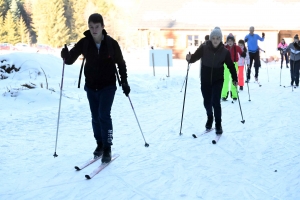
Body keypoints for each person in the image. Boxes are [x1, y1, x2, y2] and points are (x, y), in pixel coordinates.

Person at [60, 13, 130, 163]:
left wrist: (124, 82)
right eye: (91, 27)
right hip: (91, 86)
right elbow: (70, 59)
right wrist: (65, 55)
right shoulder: (85, 43)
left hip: (108, 86)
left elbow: (121, 63)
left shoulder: (111, 44)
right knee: (95, 117)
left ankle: (107, 147)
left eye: (97, 27)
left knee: (103, 115)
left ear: (103, 27)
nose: (94, 30)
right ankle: (99, 144)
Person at [186, 27, 238, 134]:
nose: (215, 40)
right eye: (213, 38)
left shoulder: (225, 52)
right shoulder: (204, 47)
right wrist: (189, 58)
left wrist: (234, 78)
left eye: (217, 38)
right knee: (207, 102)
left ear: (220, 39)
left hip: (217, 80)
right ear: (210, 38)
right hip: (205, 80)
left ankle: (218, 124)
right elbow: (194, 57)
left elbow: (231, 66)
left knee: (215, 102)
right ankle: (210, 118)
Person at [221, 33, 246, 100]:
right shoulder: (224, 47)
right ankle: (224, 94)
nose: (230, 42)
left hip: (234, 64)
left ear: (233, 41)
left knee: (234, 79)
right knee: (226, 79)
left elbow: (241, 52)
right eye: (228, 41)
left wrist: (243, 54)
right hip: (226, 65)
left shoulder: (236, 47)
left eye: (231, 41)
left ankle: (234, 94)